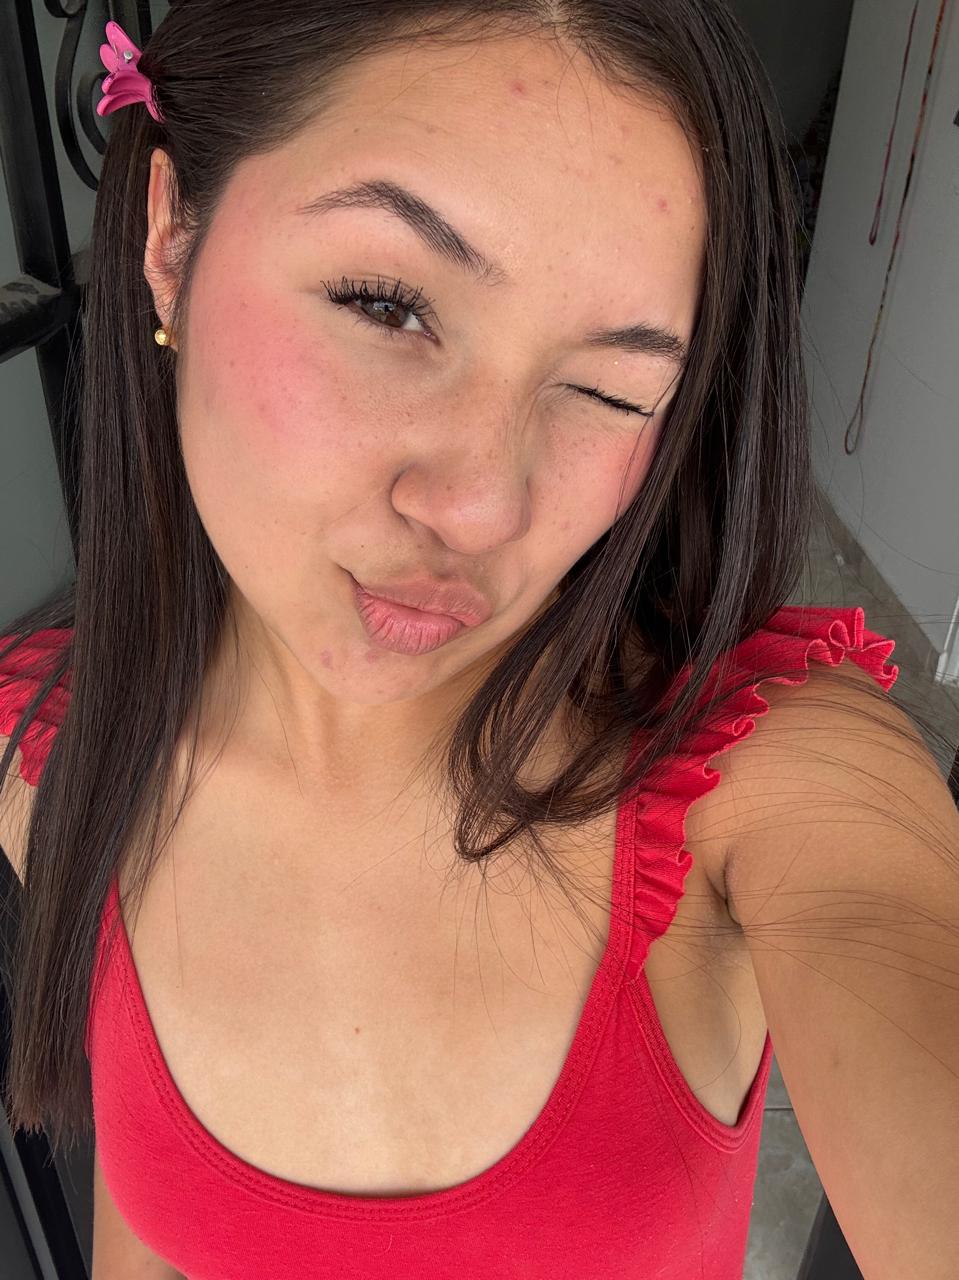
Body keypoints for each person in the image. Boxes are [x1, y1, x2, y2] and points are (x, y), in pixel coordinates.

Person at [1, 4, 956, 1278]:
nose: (482, 505)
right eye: (386, 303)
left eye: (608, 389)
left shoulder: (771, 790)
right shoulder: (49, 766)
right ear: (170, 236)